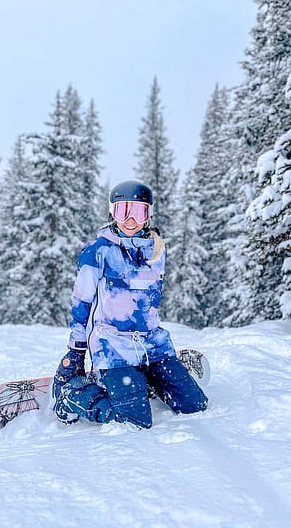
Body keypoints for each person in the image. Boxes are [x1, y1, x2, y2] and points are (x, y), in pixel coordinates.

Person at [52, 180, 208, 428]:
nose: (130, 220)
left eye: (138, 211)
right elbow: (81, 303)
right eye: (123, 211)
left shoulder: (156, 252)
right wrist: (76, 350)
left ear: (149, 214)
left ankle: (144, 380)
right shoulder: (98, 251)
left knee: (195, 407)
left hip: (153, 346)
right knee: (135, 422)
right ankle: (71, 396)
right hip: (113, 348)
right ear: (112, 212)